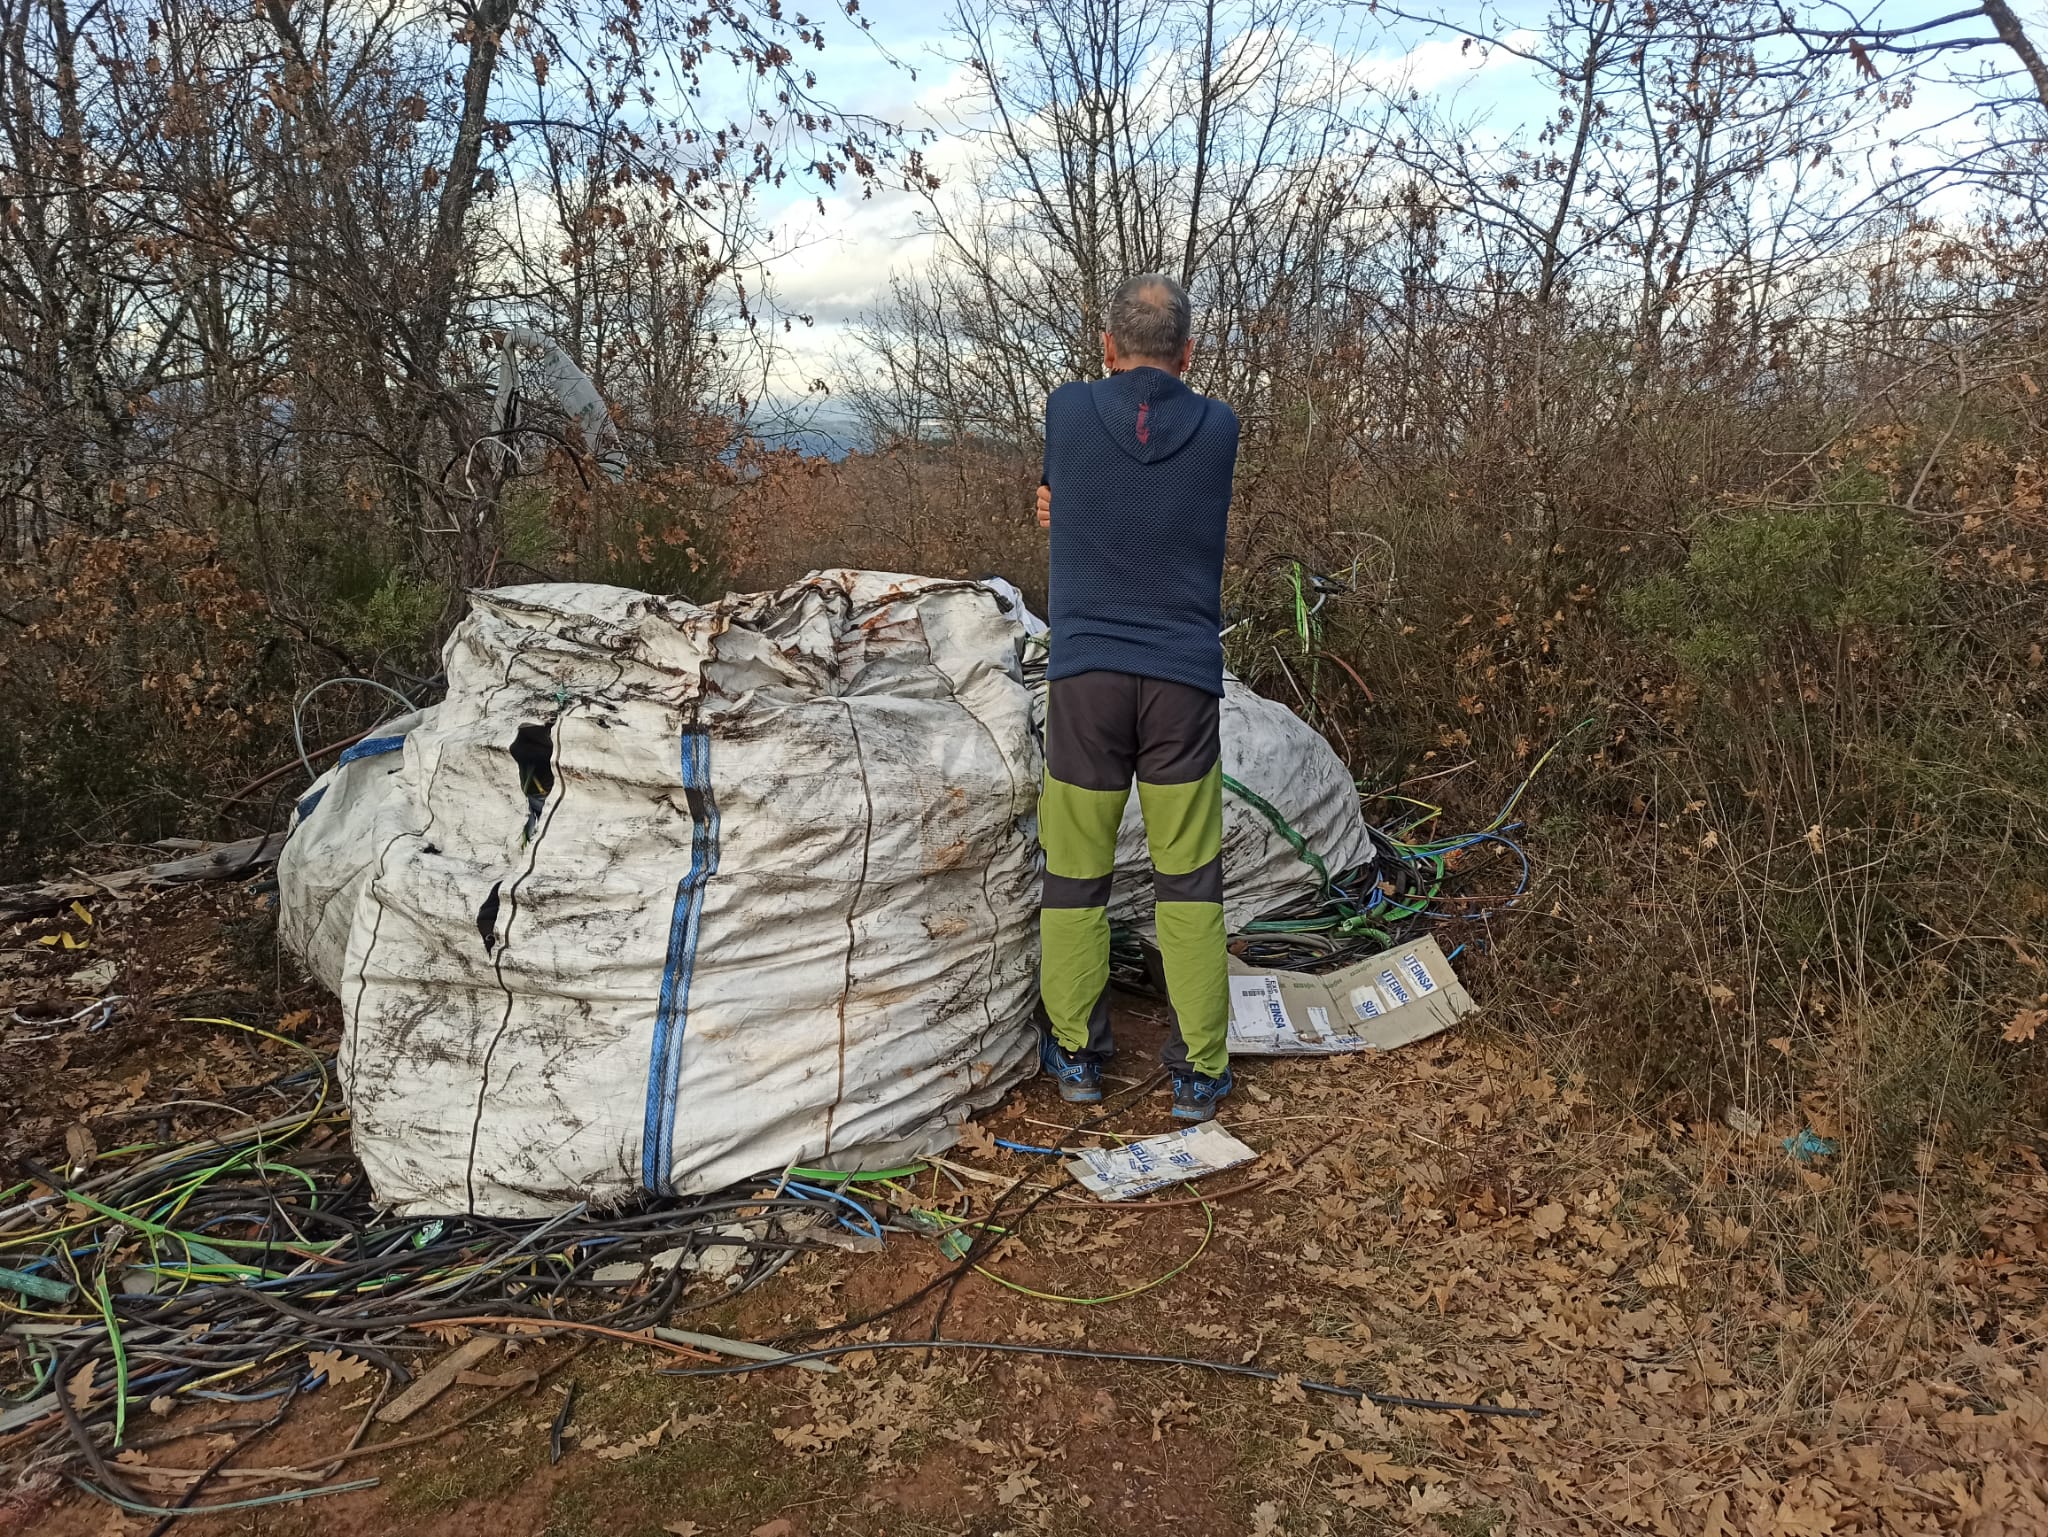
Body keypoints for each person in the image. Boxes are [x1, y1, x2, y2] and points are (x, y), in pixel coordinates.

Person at [1033, 272, 1239, 1123]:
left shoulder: (1067, 411)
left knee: (1075, 873)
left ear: (1106, 347)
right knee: (1189, 879)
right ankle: (1198, 1069)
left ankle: (1078, 1052)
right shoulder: (1220, 426)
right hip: (1182, 683)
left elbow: (1069, 494)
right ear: (1189, 353)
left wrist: (1064, 506)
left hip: (1086, 680)